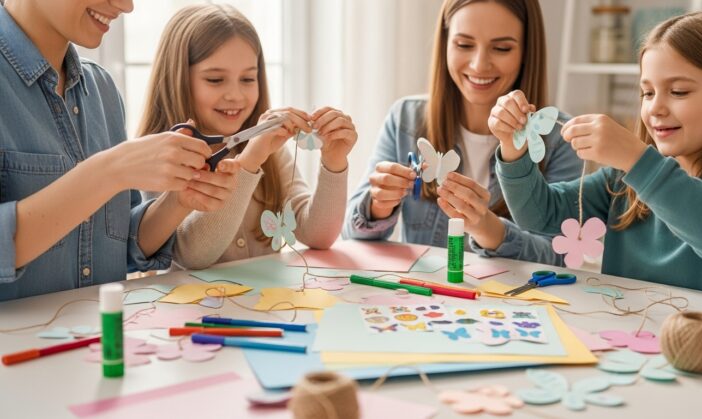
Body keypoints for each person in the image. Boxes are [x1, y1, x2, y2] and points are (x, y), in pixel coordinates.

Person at [490, 11, 702, 298]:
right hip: (619, 325)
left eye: (678, 91)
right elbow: (539, 214)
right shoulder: (623, 180)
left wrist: (638, 160)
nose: (655, 108)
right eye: (647, 93)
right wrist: (513, 148)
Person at [0, 0, 237, 301]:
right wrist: (110, 170)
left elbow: (119, 247)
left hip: (104, 329)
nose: (126, 6)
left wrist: (177, 201)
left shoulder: (102, 90)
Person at [343, 0, 580, 264]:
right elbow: (351, 234)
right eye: (464, 45)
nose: (479, 65)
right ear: (445, 43)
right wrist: (378, 206)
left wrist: (488, 229)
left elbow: (561, 258)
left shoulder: (560, 137)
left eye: (501, 48)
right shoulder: (405, 119)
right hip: (423, 289)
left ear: (527, 51)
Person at [138, 4, 357, 270]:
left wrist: (334, 162)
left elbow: (317, 235)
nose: (236, 95)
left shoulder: (270, 150)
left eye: (248, 79)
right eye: (215, 79)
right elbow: (192, 256)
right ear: (179, 79)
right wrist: (250, 161)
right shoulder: (162, 156)